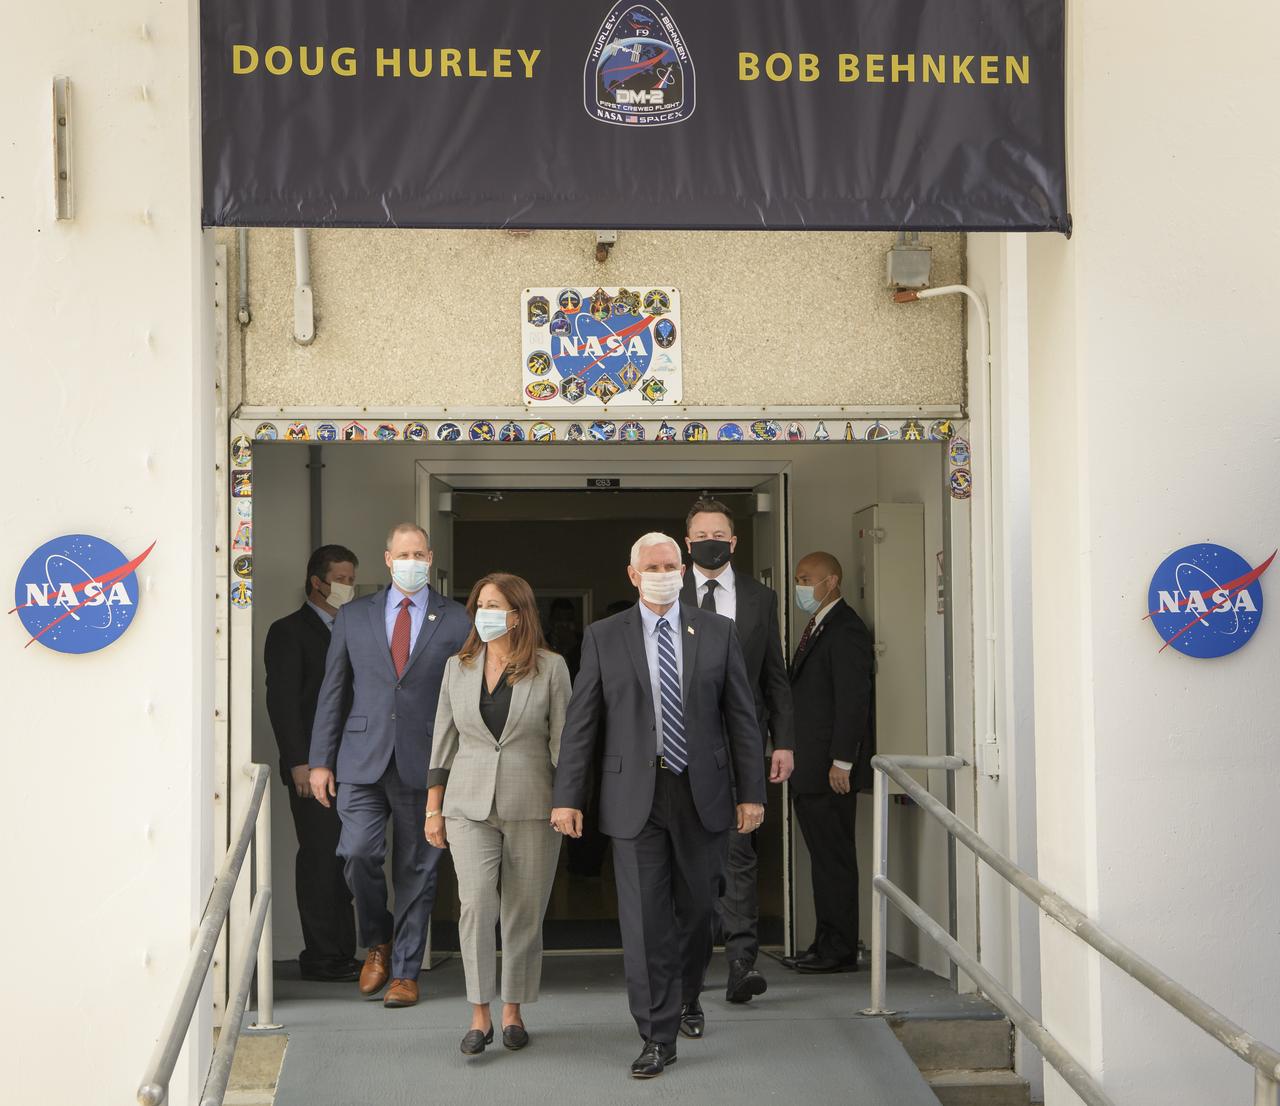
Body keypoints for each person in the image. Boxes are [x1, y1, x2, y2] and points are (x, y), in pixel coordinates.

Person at [551, 532, 765, 1078]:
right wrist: (567, 797)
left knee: (696, 910)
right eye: (654, 565)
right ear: (633, 574)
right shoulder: (603, 636)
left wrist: (753, 794)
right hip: (633, 798)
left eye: (672, 564)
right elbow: (581, 725)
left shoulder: (717, 632)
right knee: (645, 920)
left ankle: (688, 993)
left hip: (704, 794)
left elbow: (742, 719)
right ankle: (657, 1034)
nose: (664, 572)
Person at [309, 522, 470, 1008]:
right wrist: (320, 760)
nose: (413, 561)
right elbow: (333, 690)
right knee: (357, 852)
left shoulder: (457, 619)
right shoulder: (354, 616)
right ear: (387, 558)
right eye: (404, 554)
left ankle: (403, 971)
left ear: (430, 556)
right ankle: (377, 942)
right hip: (360, 759)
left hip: (426, 761)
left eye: (420, 554)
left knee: (418, 869)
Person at [425, 573, 571, 1055]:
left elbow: (563, 742)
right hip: (467, 804)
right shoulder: (457, 667)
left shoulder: (550, 668)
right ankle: (478, 1014)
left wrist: (567, 801)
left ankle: (513, 1010)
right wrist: (433, 808)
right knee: (476, 905)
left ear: (519, 614)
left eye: (496, 605)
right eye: (480, 604)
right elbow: (442, 740)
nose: (485, 613)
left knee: (523, 912)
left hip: (532, 803)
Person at [680, 499, 794, 1005]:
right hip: (678, 747)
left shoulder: (759, 598)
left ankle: (741, 962)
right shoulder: (664, 588)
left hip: (739, 748)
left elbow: (775, 676)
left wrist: (783, 742)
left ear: (733, 540)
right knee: (685, 857)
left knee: (739, 854)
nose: (710, 540)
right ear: (687, 541)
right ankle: (690, 959)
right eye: (701, 532)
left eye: (719, 533)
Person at [264, 544, 361, 982]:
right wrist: (299, 763)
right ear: (316, 581)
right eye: (341, 578)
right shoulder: (289, 631)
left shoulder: (355, 629)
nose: (348, 586)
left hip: (356, 766)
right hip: (312, 768)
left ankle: (344, 951)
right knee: (321, 858)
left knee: (350, 860)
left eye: (351, 579)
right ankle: (322, 957)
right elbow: (283, 703)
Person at [782, 551, 874, 974]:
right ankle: (825, 941)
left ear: (831, 580)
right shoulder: (819, 625)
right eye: (799, 578)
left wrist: (842, 761)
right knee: (822, 859)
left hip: (829, 771)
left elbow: (852, 702)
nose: (801, 585)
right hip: (810, 769)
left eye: (807, 578)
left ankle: (839, 949)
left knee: (834, 859)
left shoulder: (846, 629)